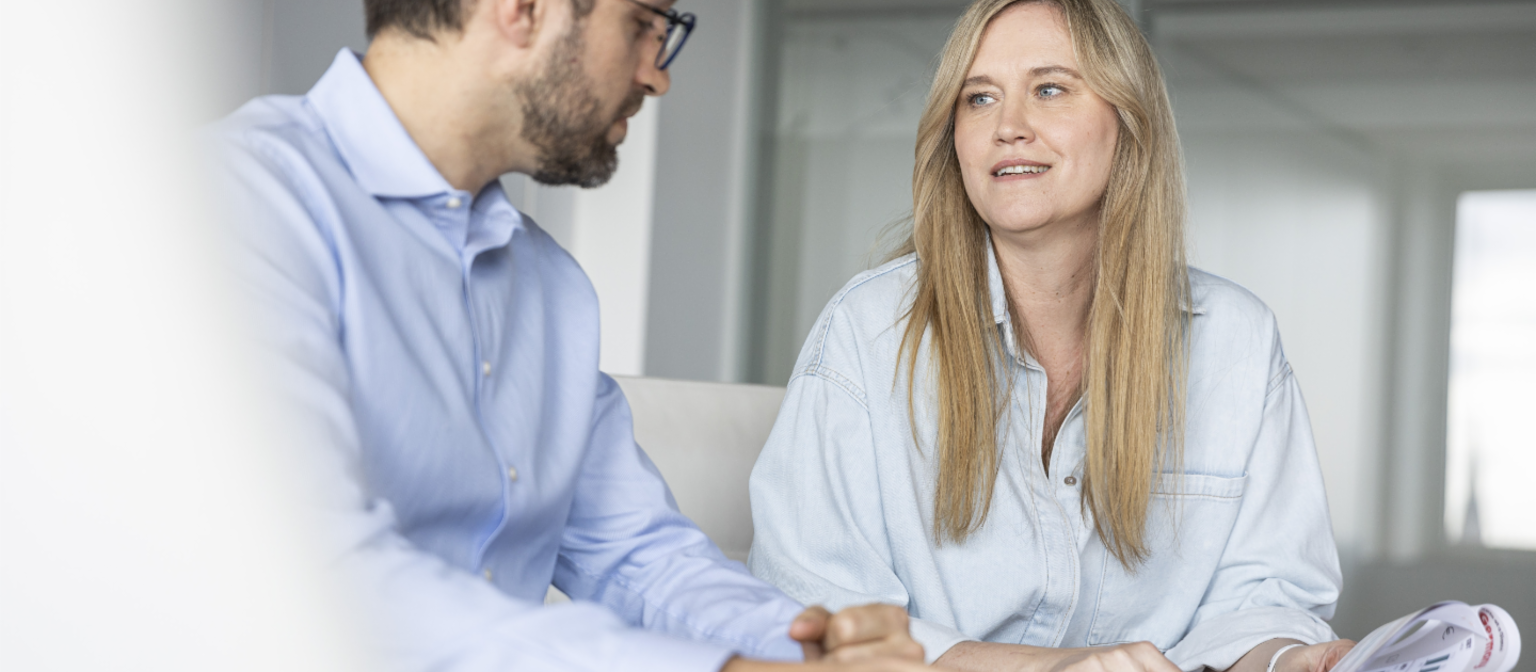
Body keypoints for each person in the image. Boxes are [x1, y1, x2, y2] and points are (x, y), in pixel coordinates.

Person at [207, 0, 931, 670]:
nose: (658, 74)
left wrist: (806, 645)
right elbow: (311, 573)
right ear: (524, 10)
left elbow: (632, 553)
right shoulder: (232, 204)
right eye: (646, 24)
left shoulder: (550, 288)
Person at [745, 1, 1358, 671]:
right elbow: (817, 619)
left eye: (1049, 89)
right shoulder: (868, 334)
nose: (1009, 127)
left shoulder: (1236, 340)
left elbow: (1257, 602)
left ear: (1127, 121)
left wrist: (1291, 661)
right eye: (978, 99)